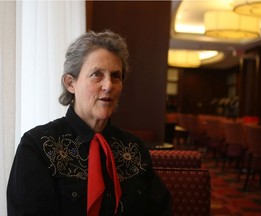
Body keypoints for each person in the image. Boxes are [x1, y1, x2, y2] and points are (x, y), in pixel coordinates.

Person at [7, 30, 171, 216]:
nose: (108, 85)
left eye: (115, 76)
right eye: (97, 74)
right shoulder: (37, 147)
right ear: (70, 83)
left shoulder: (134, 150)